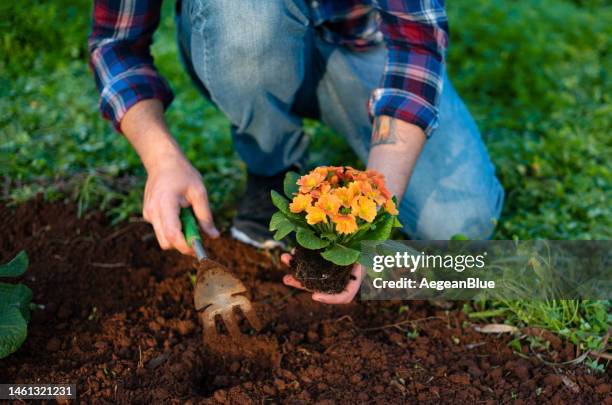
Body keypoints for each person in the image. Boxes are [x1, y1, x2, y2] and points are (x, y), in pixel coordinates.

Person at [89, 0, 504, 304]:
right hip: (241, 39)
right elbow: (116, 43)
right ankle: (272, 164)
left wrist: (368, 210)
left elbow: (416, 42)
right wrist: (161, 158)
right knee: (245, 16)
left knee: (458, 227)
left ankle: (343, 152)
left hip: (363, 46)